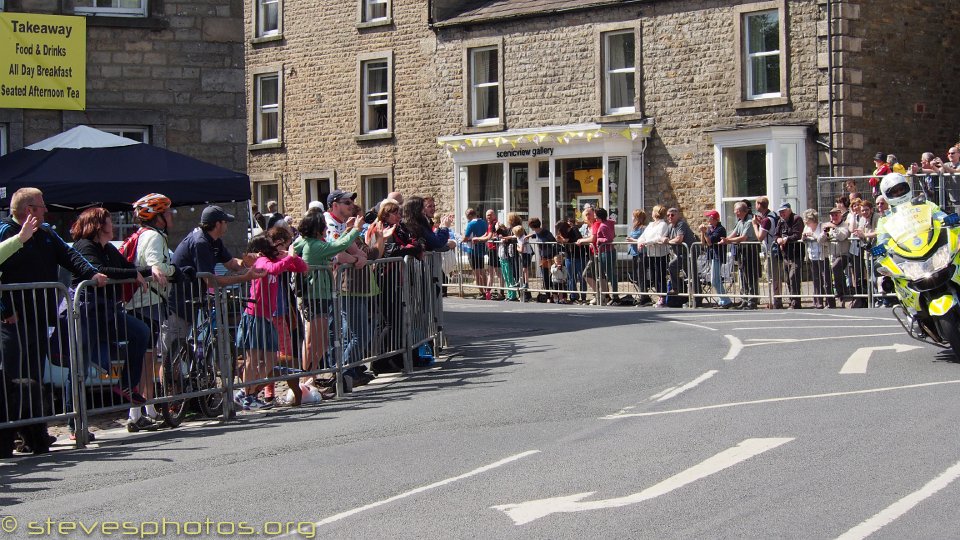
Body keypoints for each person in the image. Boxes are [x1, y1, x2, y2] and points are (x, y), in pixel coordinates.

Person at [0, 188, 107, 453]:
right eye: (42, 205)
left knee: (34, 379)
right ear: (29, 210)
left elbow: (69, 256)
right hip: (12, 320)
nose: (46, 209)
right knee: (11, 381)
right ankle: (7, 436)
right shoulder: (6, 233)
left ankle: (34, 434)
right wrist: (3, 310)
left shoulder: (47, 233)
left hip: (38, 318)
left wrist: (91, 274)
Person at [69, 208, 154, 439]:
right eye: (109, 221)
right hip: (87, 313)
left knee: (140, 332)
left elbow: (125, 267)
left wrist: (148, 271)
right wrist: (134, 273)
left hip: (107, 312)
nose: (113, 225)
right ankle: (74, 424)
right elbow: (101, 271)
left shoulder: (107, 248)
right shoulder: (85, 247)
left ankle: (127, 384)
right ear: (98, 226)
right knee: (80, 367)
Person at [292, 210, 366, 393]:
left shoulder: (311, 242)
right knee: (313, 340)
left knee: (321, 340)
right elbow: (339, 246)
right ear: (317, 229)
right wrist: (355, 230)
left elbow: (333, 243)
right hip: (315, 296)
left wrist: (347, 231)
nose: (326, 229)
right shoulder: (314, 245)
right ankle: (307, 378)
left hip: (321, 295)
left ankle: (311, 376)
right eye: (323, 227)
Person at [234, 234, 308, 410]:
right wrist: (287, 257)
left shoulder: (275, 261)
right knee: (253, 358)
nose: (276, 247)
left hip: (267, 317)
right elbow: (272, 270)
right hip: (254, 315)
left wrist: (292, 257)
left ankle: (247, 393)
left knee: (271, 358)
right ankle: (247, 395)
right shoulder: (262, 261)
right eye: (271, 245)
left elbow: (302, 267)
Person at [124, 193, 178, 432]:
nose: (171, 215)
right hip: (147, 302)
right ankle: (136, 412)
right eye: (167, 212)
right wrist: (176, 269)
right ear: (157, 218)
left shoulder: (144, 235)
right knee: (145, 358)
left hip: (141, 301)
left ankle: (146, 408)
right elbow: (158, 267)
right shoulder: (154, 237)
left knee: (146, 356)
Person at [720, 201, 760, 310]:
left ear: (741, 211)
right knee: (743, 276)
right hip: (742, 251)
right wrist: (725, 239)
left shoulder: (749, 221)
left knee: (750, 276)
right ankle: (744, 300)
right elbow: (734, 233)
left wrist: (728, 241)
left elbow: (743, 237)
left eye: (736, 211)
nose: (735, 212)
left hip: (750, 250)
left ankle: (752, 301)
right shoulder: (740, 221)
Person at [635, 205, 671, 306]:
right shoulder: (651, 225)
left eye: (653, 211)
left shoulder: (663, 224)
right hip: (650, 253)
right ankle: (658, 296)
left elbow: (658, 238)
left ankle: (662, 297)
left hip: (660, 254)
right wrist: (640, 242)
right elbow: (643, 236)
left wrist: (646, 242)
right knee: (653, 277)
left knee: (660, 276)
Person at [773, 203, 805, 309]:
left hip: (796, 253)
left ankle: (796, 302)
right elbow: (776, 234)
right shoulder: (780, 221)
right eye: (780, 212)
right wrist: (778, 239)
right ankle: (792, 300)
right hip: (786, 254)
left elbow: (797, 234)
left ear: (789, 210)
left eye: (783, 211)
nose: (781, 214)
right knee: (788, 279)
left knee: (793, 277)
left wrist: (786, 239)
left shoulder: (797, 219)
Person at [699, 210, 732, 308]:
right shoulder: (711, 229)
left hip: (718, 255)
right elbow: (703, 243)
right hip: (712, 255)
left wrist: (705, 232)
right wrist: (703, 232)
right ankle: (722, 300)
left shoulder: (720, 229)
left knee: (714, 280)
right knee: (715, 279)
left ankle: (725, 300)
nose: (708, 220)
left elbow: (709, 242)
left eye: (710, 218)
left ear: (715, 219)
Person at [665, 207, 697, 307]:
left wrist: (669, 241)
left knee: (692, 275)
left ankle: (698, 298)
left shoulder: (681, 224)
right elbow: (664, 237)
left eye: (672, 215)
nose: (670, 217)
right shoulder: (670, 226)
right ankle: (677, 288)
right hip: (680, 254)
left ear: (677, 215)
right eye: (668, 215)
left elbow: (679, 239)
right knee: (673, 266)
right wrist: (665, 239)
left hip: (689, 253)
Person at [801, 209, 830, 309]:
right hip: (812, 256)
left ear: (812, 219)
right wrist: (804, 237)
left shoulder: (823, 226)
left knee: (826, 279)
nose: (805, 221)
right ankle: (818, 301)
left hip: (823, 256)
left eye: (806, 219)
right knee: (816, 279)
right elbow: (803, 240)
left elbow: (823, 239)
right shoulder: (806, 227)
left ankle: (829, 301)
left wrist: (813, 235)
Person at [823, 207, 851, 308]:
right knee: (833, 274)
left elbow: (842, 236)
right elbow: (820, 241)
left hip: (843, 254)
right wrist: (824, 233)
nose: (834, 217)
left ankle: (841, 291)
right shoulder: (827, 226)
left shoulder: (845, 225)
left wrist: (834, 228)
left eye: (836, 215)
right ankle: (840, 295)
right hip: (832, 256)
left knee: (836, 268)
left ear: (840, 215)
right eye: (832, 215)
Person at [527, 218, 557, 302]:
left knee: (553, 277)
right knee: (545, 278)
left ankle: (555, 295)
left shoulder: (545, 232)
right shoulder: (537, 233)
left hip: (550, 257)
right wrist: (530, 236)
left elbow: (554, 241)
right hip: (542, 257)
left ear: (532, 226)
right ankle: (548, 296)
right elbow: (536, 235)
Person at [463, 208, 489, 300]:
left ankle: (481, 292)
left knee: (477, 273)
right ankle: (487, 291)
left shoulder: (471, 223)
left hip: (472, 249)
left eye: (467, 217)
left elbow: (465, 238)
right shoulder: (483, 222)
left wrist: (461, 239)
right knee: (482, 271)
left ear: (469, 216)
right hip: (482, 249)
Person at [627, 209, 651, 305]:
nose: (632, 218)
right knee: (636, 276)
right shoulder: (635, 228)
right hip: (634, 253)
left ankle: (644, 296)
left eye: (634, 216)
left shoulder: (643, 228)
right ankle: (643, 294)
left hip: (641, 253)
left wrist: (632, 239)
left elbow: (644, 240)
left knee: (641, 275)